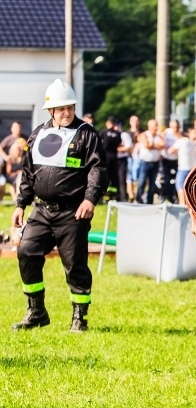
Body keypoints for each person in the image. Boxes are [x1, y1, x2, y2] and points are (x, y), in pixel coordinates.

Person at [11, 79, 108, 332]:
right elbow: (28, 173)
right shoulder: (37, 134)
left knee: (75, 265)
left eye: (70, 107)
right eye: (61, 108)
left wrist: (90, 199)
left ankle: (79, 318)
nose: (66, 112)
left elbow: (98, 170)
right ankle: (36, 312)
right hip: (41, 210)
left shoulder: (87, 134)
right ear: (51, 111)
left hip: (73, 212)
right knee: (26, 252)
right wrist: (21, 204)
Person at [136, 119, 164, 204]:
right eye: (155, 125)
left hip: (155, 163)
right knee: (142, 182)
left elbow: (163, 145)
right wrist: (156, 146)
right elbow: (146, 145)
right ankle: (139, 200)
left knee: (152, 184)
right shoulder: (144, 134)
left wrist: (152, 145)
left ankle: (149, 202)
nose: (157, 127)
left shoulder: (159, 136)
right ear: (150, 126)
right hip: (145, 163)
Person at [99, 116, 123, 201]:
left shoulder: (103, 132)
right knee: (113, 177)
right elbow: (119, 144)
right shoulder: (117, 133)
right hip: (113, 157)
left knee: (104, 176)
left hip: (106, 156)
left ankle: (104, 195)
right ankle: (114, 195)